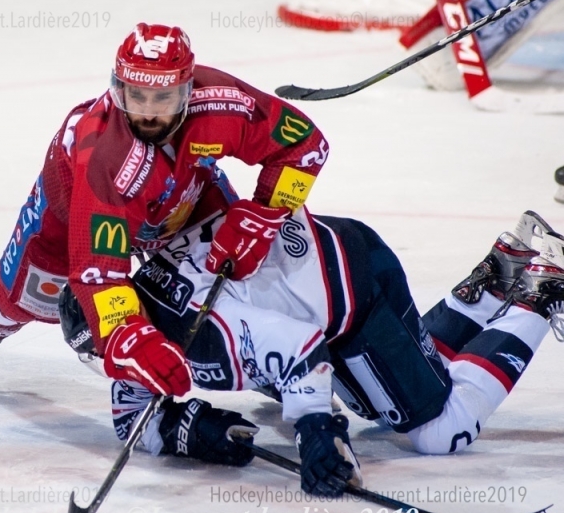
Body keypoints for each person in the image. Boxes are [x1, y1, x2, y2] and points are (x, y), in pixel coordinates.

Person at [59, 207, 564, 497]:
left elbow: (300, 347)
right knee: (383, 401)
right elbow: (133, 416)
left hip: (350, 291)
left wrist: (315, 431)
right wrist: (190, 432)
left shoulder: (204, 327)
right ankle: (502, 275)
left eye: (105, 351)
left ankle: (544, 287)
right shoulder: (132, 318)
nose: (114, 365)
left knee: (439, 429)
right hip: (327, 270)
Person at [0, 22, 331, 389]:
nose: (147, 111)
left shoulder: (223, 104)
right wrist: (132, 339)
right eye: (137, 95)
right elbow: (98, 275)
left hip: (184, 194)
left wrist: (266, 213)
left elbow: (305, 147)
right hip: (73, 207)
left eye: (163, 97)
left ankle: (257, 355)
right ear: (119, 88)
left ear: (187, 90)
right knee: (24, 294)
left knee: (236, 275)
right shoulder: (105, 161)